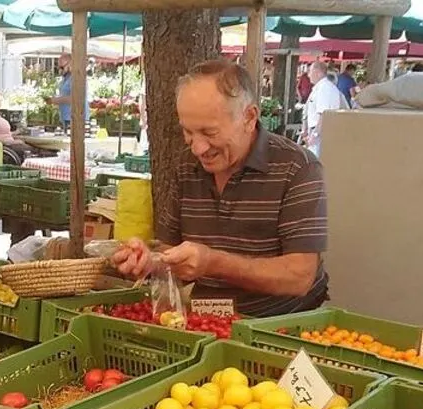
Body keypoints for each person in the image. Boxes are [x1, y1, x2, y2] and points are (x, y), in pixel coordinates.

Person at [111, 60, 329, 318]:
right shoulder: (186, 165)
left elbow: (299, 277)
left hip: (279, 326)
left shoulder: (297, 167)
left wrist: (213, 263)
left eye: (210, 132)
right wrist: (148, 260)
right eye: (188, 132)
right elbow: (170, 252)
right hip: (205, 321)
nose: (198, 148)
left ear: (249, 117)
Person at [302, 60, 348, 158]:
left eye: (310, 72)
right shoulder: (321, 87)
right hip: (318, 131)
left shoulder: (324, 88)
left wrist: (315, 135)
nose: (308, 75)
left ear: (318, 73)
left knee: (316, 161)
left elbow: (324, 114)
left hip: (320, 132)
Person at [0, 89, 32, 165]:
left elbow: (2, 133)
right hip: (7, 146)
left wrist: (16, 132)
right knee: (36, 150)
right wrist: (14, 142)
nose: (0, 101)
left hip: (9, 143)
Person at [44, 53, 89, 132]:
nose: (59, 69)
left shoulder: (77, 77)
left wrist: (55, 100)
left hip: (76, 118)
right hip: (66, 117)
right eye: (58, 67)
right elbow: (65, 95)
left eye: (62, 67)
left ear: (70, 64)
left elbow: (76, 98)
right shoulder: (66, 78)